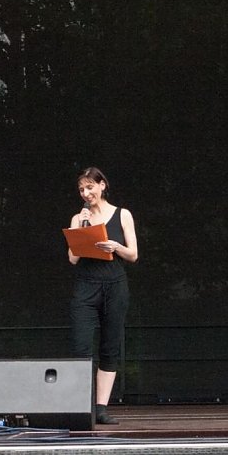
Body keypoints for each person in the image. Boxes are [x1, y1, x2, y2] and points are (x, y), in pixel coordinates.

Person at [67, 167, 138, 425]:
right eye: (82, 190)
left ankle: (101, 408)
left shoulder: (122, 214)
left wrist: (115, 246)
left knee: (110, 345)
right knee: (81, 346)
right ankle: (80, 406)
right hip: (86, 285)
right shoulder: (78, 218)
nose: (86, 193)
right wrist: (84, 227)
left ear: (102, 185)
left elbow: (134, 254)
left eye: (90, 187)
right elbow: (73, 258)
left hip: (114, 285)